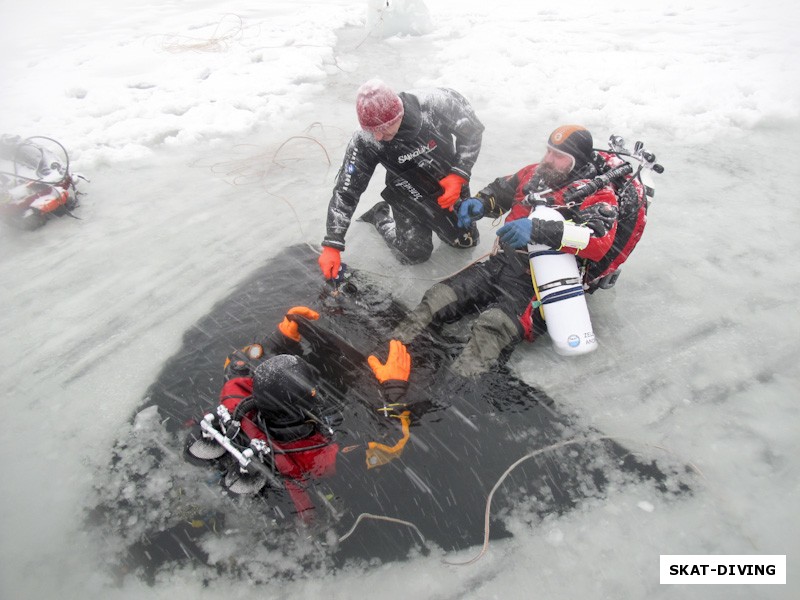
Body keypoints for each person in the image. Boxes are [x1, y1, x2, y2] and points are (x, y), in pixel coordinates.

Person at [393, 125, 647, 376]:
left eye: (559, 156)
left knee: (494, 327)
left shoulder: (599, 196)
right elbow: (501, 190)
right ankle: (391, 351)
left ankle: (459, 385)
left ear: (576, 161)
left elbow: (598, 241)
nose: (548, 159)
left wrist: (538, 230)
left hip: (537, 281)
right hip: (500, 261)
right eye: (548, 151)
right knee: (439, 297)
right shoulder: (534, 174)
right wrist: (480, 203)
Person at [185, 306, 413, 522]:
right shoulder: (318, 458)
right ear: (303, 408)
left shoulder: (234, 399)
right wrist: (394, 390)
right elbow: (392, 445)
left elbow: (236, 363)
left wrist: (281, 339)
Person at [318, 79, 485, 278]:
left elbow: (472, 131)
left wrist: (459, 174)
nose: (377, 137)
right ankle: (379, 216)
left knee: (466, 242)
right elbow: (346, 192)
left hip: (448, 183)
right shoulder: (366, 141)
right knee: (413, 255)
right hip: (406, 191)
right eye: (371, 129)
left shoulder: (436, 103)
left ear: (399, 113)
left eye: (383, 128)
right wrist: (332, 244)